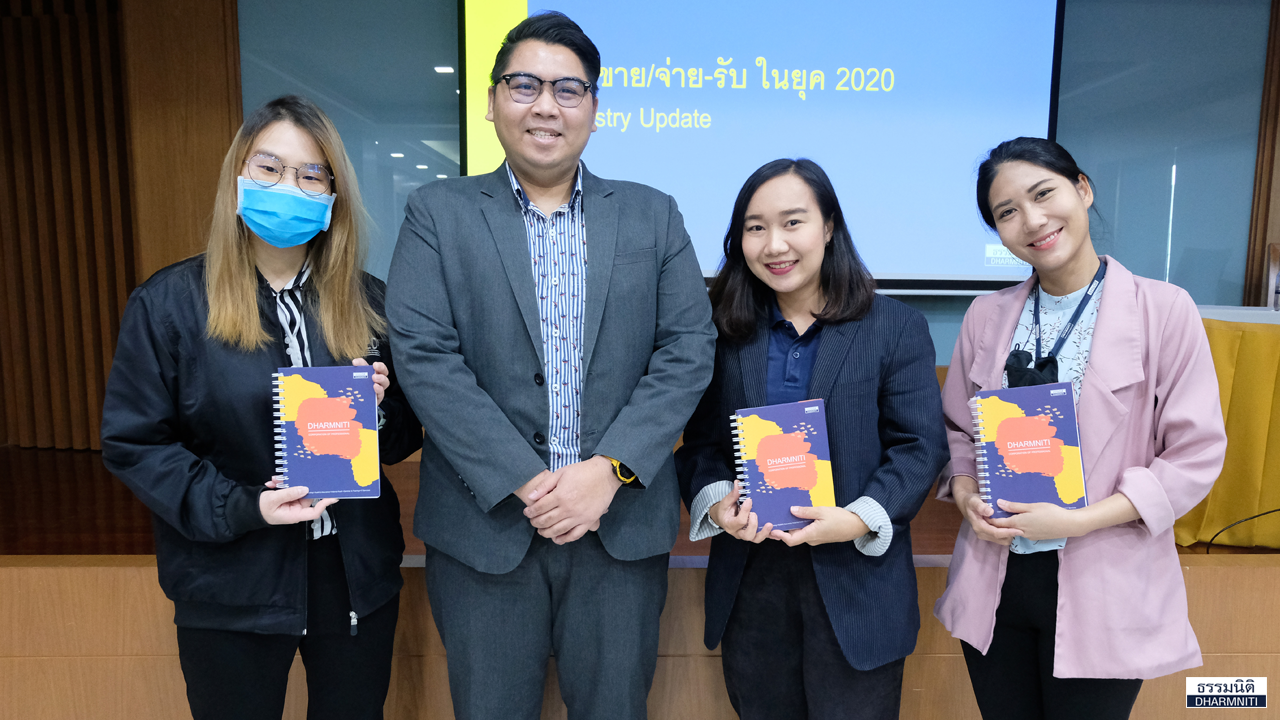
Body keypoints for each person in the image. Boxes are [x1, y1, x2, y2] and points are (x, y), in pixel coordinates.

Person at [383, 11, 715, 720]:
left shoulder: (653, 214)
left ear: (594, 108)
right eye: (524, 85)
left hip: (618, 527)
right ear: (493, 100)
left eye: (568, 89)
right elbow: (425, 355)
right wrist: (530, 483)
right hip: (485, 530)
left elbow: (688, 347)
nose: (545, 106)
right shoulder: (437, 213)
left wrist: (608, 471)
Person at [100, 95, 421, 720]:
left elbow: (405, 434)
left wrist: (378, 411)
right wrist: (244, 505)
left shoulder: (371, 303)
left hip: (354, 576)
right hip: (231, 578)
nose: (289, 187)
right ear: (237, 179)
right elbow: (135, 444)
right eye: (269, 169)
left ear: (333, 196)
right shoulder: (169, 304)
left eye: (311, 175)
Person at [934, 137, 1228, 720]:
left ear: (1083, 189)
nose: (1032, 220)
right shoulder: (986, 315)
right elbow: (959, 433)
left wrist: (1077, 520)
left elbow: (1194, 455)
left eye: (1043, 194)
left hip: (1104, 578)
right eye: (1007, 212)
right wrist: (966, 496)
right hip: (997, 578)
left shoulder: (1164, 310)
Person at [675, 158, 950, 720]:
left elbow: (919, 447)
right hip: (753, 579)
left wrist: (857, 519)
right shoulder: (722, 331)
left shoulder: (894, 326)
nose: (774, 244)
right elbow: (700, 446)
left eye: (793, 222)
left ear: (828, 227)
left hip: (856, 579)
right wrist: (720, 504)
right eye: (755, 227)